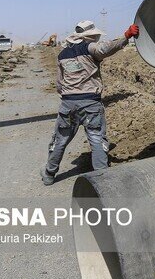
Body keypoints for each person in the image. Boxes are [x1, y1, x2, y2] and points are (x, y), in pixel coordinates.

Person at [40, 20, 139, 185]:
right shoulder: (89, 48)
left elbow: (59, 84)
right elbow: (105, 48)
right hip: (90, 104)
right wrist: (126, 36)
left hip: (68, 104)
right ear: (89, 35)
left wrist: (69, 96)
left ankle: (49, 174)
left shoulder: (62, 54)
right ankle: (103, 180)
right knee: (96, 139)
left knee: (60, 139)